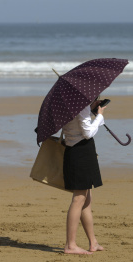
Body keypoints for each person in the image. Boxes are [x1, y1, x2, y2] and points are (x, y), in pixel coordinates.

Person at [62, 98, 106, 255]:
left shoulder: (69, 105)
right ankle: (70, 245)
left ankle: (93, 242)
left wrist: (92, 110)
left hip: (76, 152)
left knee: (86, 198)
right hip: (80, 153)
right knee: (79, 198)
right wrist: (99, 116)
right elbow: (87, 133)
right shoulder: (80, 107)